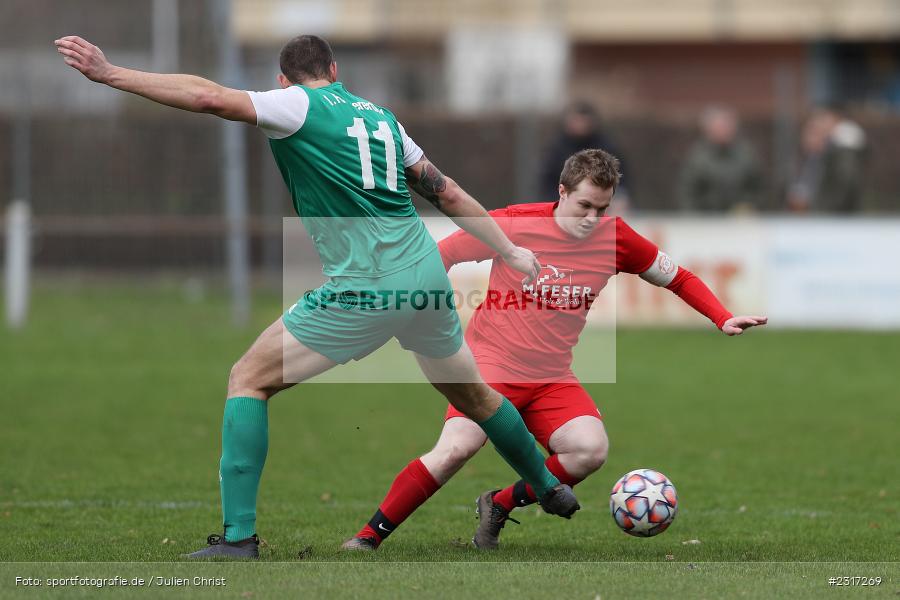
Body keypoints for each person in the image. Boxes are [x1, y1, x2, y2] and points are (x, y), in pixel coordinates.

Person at [55, 33, 581, 559]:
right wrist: (508, 250)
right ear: (334, 68)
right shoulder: (382, 118)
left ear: (283, 78)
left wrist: (111, 74)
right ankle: (549, 485)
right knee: (475, 397)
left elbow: (209, 96)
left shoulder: (293, 104)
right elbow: (445, 191)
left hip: (368, 287)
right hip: (424, 276)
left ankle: (238, 540)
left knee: (248, 378)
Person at [343, 149, 767, 551]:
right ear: (561, 192)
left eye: (603, 208)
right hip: (491, 366)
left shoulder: (616, 238)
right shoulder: (512, 224)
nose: (592, 218)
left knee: (589, 449)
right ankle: (368, 537)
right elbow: (442, 256)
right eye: (584, 205)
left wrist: (720, 316)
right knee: (457, 448)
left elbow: (677, 277)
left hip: (551, 377)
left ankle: (500, 504)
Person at [540, 102, 631, 212]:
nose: (580, 125)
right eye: (576, 120)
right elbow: (547, 180)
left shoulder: (606, 146)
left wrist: (618, 196)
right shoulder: (557, 148)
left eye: (583, 120)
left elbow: (621, 175)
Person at [677, 105, 762, 213]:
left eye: (726, 126)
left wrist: (750, 206)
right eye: (719, 126)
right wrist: (694, 216)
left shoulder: (746, 154)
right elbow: (687, 191)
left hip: (739, 219)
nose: (723, 131)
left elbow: (758, 187)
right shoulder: (697, 157)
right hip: (706, 219)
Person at [788, 106, 867, 213]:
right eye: (810, 130)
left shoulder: (840, 158)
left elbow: (844, 191)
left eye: (817, 130)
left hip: (829, 222)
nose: (810, 136)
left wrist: (813, 208)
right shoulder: (803, 159)